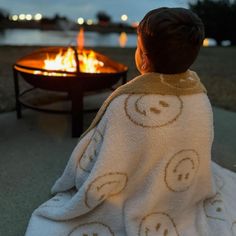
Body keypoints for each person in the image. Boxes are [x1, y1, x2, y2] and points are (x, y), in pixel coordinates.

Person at [25, 7, 236, 236]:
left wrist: (82, 172)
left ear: (144, 59)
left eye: (138, 46)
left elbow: (102, 160)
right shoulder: (200, 98)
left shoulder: (126, 106)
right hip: (184, 185)